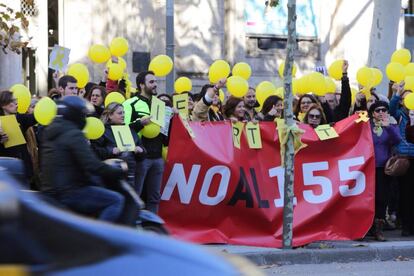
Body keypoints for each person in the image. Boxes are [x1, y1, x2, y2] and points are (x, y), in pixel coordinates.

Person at [40, 96, 125, 222]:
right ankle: (99, 239)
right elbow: (91, 165)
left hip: (52, 191)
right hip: (70, 191)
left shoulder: (51, 132)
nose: (85, 118)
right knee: (116, 200)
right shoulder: (74, 134)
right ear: (76, 115)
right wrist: (116, 171)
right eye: (83, 115)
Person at [122, 71, 165, 213]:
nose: (155, 84)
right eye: (151, 82)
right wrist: (140, 123)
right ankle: (132, 230)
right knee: (136, 196)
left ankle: (152, 231)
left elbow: (163, 130)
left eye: (156, 81)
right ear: (141, 85)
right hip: (140, 158)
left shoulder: (159, 104)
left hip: (158, 157)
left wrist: (172, 115)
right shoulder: (130, 103)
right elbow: (124, 128)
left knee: (154, 197)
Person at [368, 101, 401, 241]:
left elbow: (398, 140)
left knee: (382, 199)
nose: (381, 112)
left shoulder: (391, 126)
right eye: (377, 110)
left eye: (384, 110)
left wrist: (388, 127)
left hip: (383, 169)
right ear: (372, 113)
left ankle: (378, 230)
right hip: (367, 169)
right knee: (368, 199)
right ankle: (366, 228)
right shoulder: (366, 126)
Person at [389, 83, 414, 236]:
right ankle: (406, 225)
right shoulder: (400, 114)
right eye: (405, 98)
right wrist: (397, 94)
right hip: (404, 159)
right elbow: (391, 109)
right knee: (405, 194)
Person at [0, 90, 37, 187]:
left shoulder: (20, 118)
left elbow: (35, 117)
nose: (16, 103)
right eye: (12, 101)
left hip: (23, 170)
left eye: (15, 100)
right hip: (5, 173)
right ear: (3, 105)